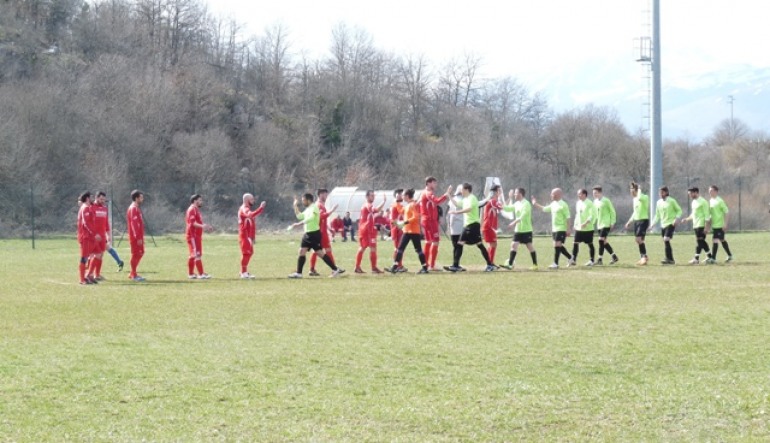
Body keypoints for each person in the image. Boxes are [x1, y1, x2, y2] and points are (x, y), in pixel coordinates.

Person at [288, 193, 344, 278]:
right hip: (307, 234)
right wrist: (295, 206)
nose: (303, 202)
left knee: (320, 253)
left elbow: (311, 218)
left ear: (309, 200)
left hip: (314, 234)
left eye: (304, 200)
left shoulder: (314, 207)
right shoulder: (308, 209)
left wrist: (299, 224)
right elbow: (300, 216)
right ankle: (299, 273)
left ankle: (335, 269)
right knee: (301, 251)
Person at [445, 183, 495, 272]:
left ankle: (489, 265)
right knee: (464, 244)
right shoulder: (465, 199)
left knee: (474, 244)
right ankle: (456, 265)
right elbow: (456, 204)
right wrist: (449, 195)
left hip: (473, 225)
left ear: (467, 189)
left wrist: (457, 212)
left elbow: (469, 209)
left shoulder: (472, 198)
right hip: (468, 226)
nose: (461, 191)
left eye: (462, 189)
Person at [388, 188, 429, 274]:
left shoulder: (412, 205)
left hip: (413, 231)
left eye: (403, 195)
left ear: (407, 196)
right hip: (407, 231)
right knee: (400, 249)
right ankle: (395, 267)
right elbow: (401, 210)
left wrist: (404, 222)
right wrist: (396, 202)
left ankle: (425, 268)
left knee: (418, 250)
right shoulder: (408, 205)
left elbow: (416, 217)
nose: (402, 196)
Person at [532, 188, 572, 270]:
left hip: (561, 228)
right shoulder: (553, 204)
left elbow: (568, 218)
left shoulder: (563, 204)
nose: (551, 195)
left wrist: (568, 229)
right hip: (554, 228)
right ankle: (571, 258)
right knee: (557, 245)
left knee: (557, 245)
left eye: (552, 194)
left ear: (558, 195)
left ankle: (555, 263)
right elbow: (544, 209)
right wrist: (535, 204)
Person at [499, 188, 538, 270]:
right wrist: (509, 198)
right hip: (518, 230)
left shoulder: (526, 204)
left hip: (526, 230)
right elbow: (506, 208)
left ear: (520, 194)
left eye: (516, 193)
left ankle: (535, 265)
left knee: (529, 246)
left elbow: (521, 217)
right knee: (513, 245)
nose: (514, 195)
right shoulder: (516, 203)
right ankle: (510, 265)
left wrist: (513, 223)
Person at [420, 176, 452, 271]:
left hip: (429, 220)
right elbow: (437, 201)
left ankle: (426, 264)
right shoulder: (428, 193)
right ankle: (430, 265)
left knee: (429, 241)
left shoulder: (424, 193)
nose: (436, 185)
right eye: (434, 183)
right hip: (429, 221)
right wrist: (447, 194)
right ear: (429, 183)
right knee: (435, 241)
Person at [648, 186, 682, 265]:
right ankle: (670, 259)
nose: (660, 194)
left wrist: (676, 219)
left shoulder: (672, 201)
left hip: (671, 223)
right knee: (665, 241)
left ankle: (668, 258)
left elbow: (679, 210)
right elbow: (657, 215)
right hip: (663, 224)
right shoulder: (658, 202)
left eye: (662, 192)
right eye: (659, 193)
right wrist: (652, 225)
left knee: (666, 239)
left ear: (666, 192)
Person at [354, 190, 387, 274]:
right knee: (365, 248)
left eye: (373, 196)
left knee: (370, 248)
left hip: (366, 230)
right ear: (367, 197)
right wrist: (383, 202)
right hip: (367, 231)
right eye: (372, 196)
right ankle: (371, 268)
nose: (373, 197)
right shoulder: (368, 205)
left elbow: (372, 214)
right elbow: (375, 210)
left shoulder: (365, 206)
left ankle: (365, 267)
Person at [309, 188, 339, 276]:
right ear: (320, 195)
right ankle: (334, 269)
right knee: (325, 250)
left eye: (327, 194)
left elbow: (322, 221)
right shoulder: (319, 205)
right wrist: (332, 210)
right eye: (325, 194)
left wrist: (329, 229)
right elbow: (322, 216)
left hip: (322, 231)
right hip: (320, 233)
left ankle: (312, 269)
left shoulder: (321, 205)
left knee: (318, 250)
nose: (326, 196)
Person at [681, 187, 713, 265]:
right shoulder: (694, 202)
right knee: (701, 241)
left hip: (701, 225)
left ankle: (696, 259)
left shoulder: (703, 202)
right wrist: (687, 219)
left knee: (699, 242)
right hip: (695, 225)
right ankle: (710, 256)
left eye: (691, 194)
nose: (690, 195)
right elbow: (693, 214)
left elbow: (707, 215)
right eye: (689, 194)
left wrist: (706, 227)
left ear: (696, 192)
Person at [238, 193, 266, 279]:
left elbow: (252, 224)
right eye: (252, 199)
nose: (253, 201)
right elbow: (250, 215)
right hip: (244, 235)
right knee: (246, 253)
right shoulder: (244, 208)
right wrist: (261, 208)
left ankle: (244, 271)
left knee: (249, 253)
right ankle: (243, 273)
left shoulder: (247, 208)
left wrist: (253, 237)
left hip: (248, 236)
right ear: (247, 200)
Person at [623, 181, 650, 266]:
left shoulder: (644, 197)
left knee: (638, 240)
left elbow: (640, 198)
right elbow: (635, 212)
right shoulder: (634, 199)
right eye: (630, 190)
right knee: (640, 240)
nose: (631, 192)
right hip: (637, 221)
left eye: (632, 190)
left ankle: (644, 257)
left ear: (637, 190)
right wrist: (629, 221)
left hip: (643, 220)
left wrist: (639, 190)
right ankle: (644, 257)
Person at [592, 186, 619, 265]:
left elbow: (612, 211)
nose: (594, 194)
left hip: (606, 223)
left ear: (600, 192)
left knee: (600, 240)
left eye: (595, 193)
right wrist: (593, 222)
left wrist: (612, 222)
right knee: (604, 242)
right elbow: (595, 214)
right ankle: (614, 257)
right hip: (599, 224)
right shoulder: (595, 202)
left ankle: (600, 259)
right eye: (593, 193)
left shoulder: (606, 200)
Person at [708, 185, 734, 262]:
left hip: (720, 225)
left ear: (716, 191)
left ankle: (713, 258)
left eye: (711, 191)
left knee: (715, 240)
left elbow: (727, 212)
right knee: (722, 240)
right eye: (709, 191)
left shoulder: (720, 201)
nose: (710, 192)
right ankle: (730, 255)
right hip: (714, 225)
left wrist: (725, 224)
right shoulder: (710, 201)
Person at [571, 188, 596, 266]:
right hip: (579, 228)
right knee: (575, 243)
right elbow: (577, 214)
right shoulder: (578, 203)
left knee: (590, 244)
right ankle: (573, 260)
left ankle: (592, 260)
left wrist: (586, 223)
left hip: (588, 228)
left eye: (580, 194)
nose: (578, 195)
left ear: (584, 194)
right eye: (578, 194)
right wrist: (575, 224)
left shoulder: (589, 203)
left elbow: (592, 215)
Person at [77, 192, 98, 285]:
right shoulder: (85, 208)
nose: (92, 199)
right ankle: (82, 279)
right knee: (84, 257)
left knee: (95, 254)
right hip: (86, 237)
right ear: (87, 198)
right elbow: (86, 223)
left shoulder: (88, 207)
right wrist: (94, 234)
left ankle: (88, 275)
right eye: (91, 197)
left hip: (90, 237)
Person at [446, 184, 467, 271]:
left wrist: (448, 225)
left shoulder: (452, 200)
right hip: (460, 226)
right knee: (459, 246)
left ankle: (455, 264)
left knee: (455, 246)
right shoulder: (464, 200)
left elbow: (447, 213)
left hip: (453, 226)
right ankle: (456, 265)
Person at [90, 191, 110, 280]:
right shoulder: (91, 207)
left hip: (102, 236)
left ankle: (97, 274)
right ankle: (89, 274)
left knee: (101, 255)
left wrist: (108, 233)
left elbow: (106, 222)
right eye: (101, 199)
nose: (103, 201)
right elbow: (89, 222)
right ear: (96, 198)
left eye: (104, 199)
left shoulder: (105, 208)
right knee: (95, 255)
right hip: (94, 236)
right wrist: (93, 233)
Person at [482, 185, 503, 267]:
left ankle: (490, 262)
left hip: (490, 227)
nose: (500, 193)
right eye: (499, 191)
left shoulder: (493, 201)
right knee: (493, 244)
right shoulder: (492, 201)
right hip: (489, 226)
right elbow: (501, 207)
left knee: (492, 244)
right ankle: (489, 264)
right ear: (496, 192)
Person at [127, 189, 146, 282]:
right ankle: (133, 274)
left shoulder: (136, 208)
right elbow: (134, 224)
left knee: (141, 253)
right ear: (136, 198)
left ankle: (132, 273)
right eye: (141, 197)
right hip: (135, 237)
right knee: (136, 254)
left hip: (139, 236)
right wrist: (137, 237)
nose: (142, 199)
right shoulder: (133, 208)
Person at [389, 189, 406, 271]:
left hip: (400, 229)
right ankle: (397, 266)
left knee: (400, 248)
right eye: (399, 194)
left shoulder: (400, 205)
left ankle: (399, 265)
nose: (401, 195)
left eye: (401, 194)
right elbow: (392, 220)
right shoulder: (395, 205)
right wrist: (397, 228)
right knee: (397, 248)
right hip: (396, 230)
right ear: (395, 195)